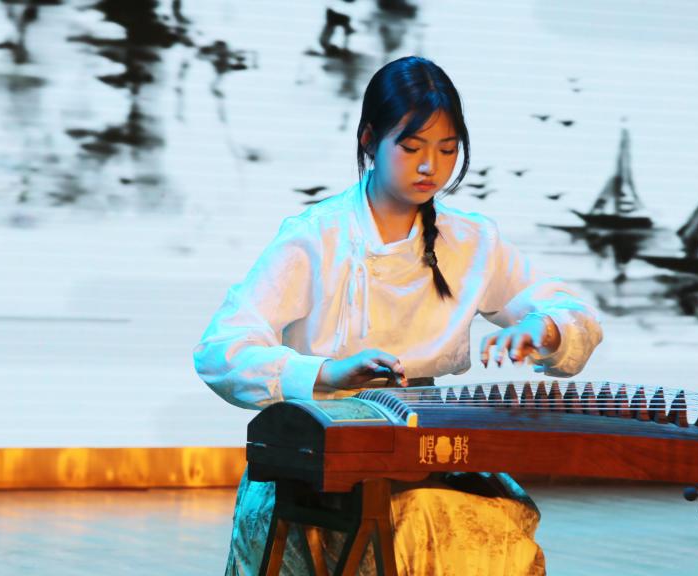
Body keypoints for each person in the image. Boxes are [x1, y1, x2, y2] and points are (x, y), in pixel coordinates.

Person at [194, 55, 603, 576]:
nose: (431, 166)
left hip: (423, 450)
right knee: (417, 524)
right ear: (369, 139)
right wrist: (325, 373)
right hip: (316, 457)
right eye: (412, 148)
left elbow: (573, 315)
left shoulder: (471, 240)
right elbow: (220, 351)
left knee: (489, 523)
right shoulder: (316, 236)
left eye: (447, 149)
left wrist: (541, 327)